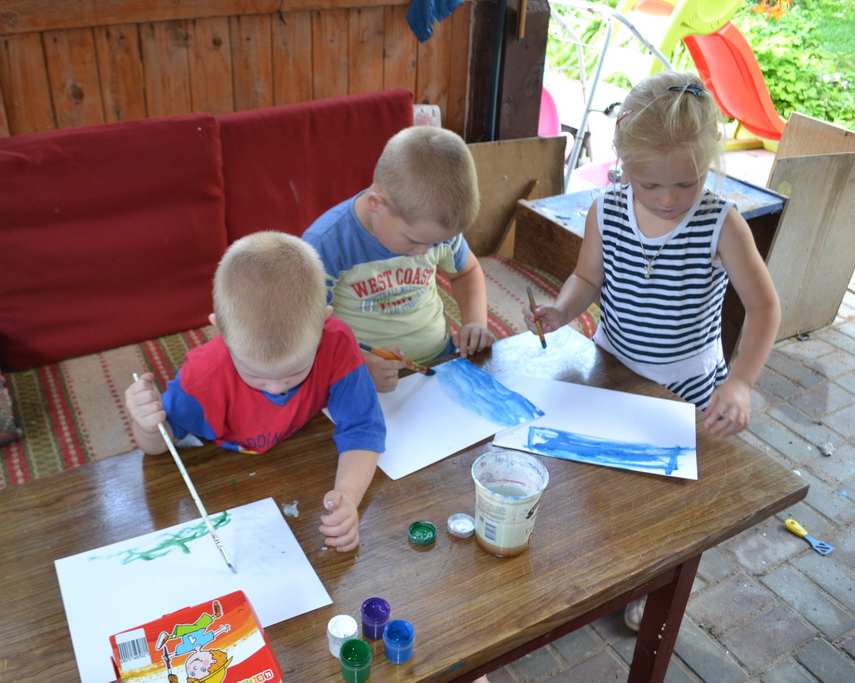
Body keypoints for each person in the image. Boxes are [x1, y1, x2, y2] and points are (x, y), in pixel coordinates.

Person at [522, 72, 781, 633]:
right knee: (604, 484)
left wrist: (740, 382)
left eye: (686, 183)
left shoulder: (721, 223)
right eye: (650, 184)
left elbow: (765, 308)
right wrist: (562, 310)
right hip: (611, 370)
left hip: (687, 389)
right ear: (623, 165)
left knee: (665, 501)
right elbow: (587, 278)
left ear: (710, 161)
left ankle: (651, 582)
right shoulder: (606, 210)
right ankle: (603, 563)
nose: (668, 199)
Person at [125, 231, 385, 553]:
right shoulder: (202, 378)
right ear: (220, 329)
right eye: (256, 376)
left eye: (294, 372)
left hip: (299, 461)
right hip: (225, 485)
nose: (276, 388)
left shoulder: (337, 342)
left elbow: (363, 428)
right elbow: (159, 449)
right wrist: (148, 425)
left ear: (323, 322)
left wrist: (348, 495)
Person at [303, 125, 495, 393]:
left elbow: (466, 272)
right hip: (363, 373)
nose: (425, 251)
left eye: (435, 242)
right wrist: (352, 369)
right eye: (414, 241)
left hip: (441, 359)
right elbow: (303, 331)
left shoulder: (434, 231)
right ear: (376, 204)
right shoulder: (325, 245)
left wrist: (475, 322)